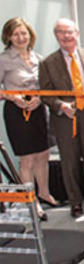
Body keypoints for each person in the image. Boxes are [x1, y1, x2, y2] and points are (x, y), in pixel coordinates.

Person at [38, 18, 84, 218]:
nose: (66, 36)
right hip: (64, 117)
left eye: (69, 31)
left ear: (77, 33)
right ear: (56, 36)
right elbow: (44, 93)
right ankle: (75, 201)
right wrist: (60, 105)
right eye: (61, 32)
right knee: (69, 161)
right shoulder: (47, 63)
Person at [0, 17, 56, 220]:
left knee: (43, 154)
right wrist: (13, 96)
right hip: (17, 113)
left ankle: (44, 193)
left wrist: (40, 98)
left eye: (24, 33)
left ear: (30, 34)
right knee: (28, 158)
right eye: (16, 34)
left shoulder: (38, 58)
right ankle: (31, 201)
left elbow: (45, 86)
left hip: (39, 111)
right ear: (8, 37)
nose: (21, 37)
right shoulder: (4, 59)